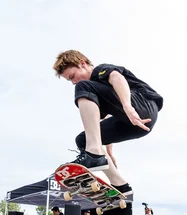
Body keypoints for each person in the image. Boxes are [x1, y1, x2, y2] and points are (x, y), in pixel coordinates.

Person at [53, 50, 163, 194]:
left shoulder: (100, 71)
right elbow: (101, 124)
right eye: (70, 80)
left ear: (82, 64)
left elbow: (117, 78)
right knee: (83, 140)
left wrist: (127, 106)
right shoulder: (97, 92)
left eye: (72, 76)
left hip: (142, 107)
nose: (73, 82)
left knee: (83, 86)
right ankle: (120, 185)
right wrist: (108, 151)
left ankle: (94, 154)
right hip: (134, 125)